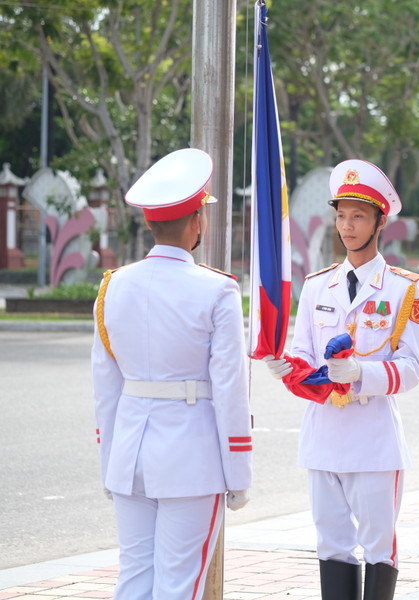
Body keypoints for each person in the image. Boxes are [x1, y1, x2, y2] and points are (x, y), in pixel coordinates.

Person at [262, 159, 419, 600]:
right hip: (324, 437)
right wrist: (288, 367)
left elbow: (413, 367)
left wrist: (361, 375)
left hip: (373, 440)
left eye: (358, 216)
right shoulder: (317, 286)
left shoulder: (404, 289)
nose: (347, 226)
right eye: (341, 215)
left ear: (380, 222)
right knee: (332, 544)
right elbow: (302, 351)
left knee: (378, 547)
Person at [91, 148, 252, 598]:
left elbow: (105, 390)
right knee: (180, 585)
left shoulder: (112, 286)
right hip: (190, 461)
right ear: (197, 221)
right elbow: (230, 389)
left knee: (135, 580)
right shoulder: (217, 290)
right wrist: (238, 473)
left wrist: (110, 466)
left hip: (130, 457)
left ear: (149, 222)